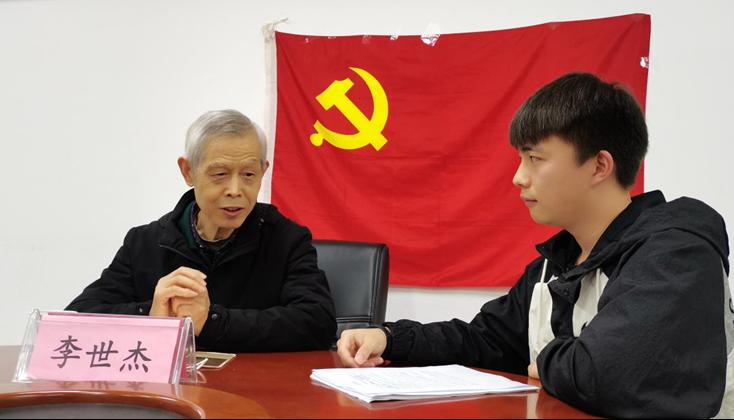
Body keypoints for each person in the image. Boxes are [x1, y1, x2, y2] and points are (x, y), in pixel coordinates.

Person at [336, 73, 733, 418]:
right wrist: (391, 337)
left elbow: (606, 375)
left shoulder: (676, 253)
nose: (518, 177)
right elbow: (487, 340)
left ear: (599, 166)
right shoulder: (555, 264)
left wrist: (543, 359)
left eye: (535, 159)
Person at [67, 109, 336, 352]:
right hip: (170, 388)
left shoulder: (287, 239)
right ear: (188, 172)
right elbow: (76, 319)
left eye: (248, 174)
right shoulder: (145, 242)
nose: (235, 190)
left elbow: (317, 323)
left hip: (254, 387)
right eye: (220, 174)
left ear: (263, 171)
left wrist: (211, 321)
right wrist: (152, 314)